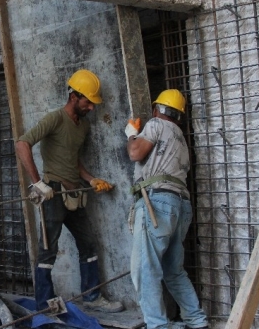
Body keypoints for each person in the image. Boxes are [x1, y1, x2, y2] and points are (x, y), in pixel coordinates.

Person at [15, 69, 124, 314]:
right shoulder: (55, 119)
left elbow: (74, 161)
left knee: (88, 245)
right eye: (88, 102)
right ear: (74, 96)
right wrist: (37, 183)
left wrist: (92, 179)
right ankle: (45, 306)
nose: (91, 108)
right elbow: (22, 143)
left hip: (74, 193)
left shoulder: (82, 127)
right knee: (48, 250)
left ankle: (92, 296)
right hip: (53, 192)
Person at [125, 89, 208, 329]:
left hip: (157, 203)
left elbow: (135, 152)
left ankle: (158, 326)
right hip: (180, 206)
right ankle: (197, 320)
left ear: (156, 109)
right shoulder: (181, 139)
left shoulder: (156, 124)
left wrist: (132, 134)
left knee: (144, 268)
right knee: (174, 270)